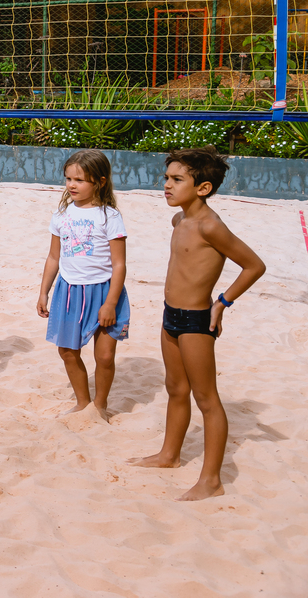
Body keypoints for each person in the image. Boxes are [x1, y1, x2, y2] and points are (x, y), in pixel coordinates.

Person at [130, 147, 266, 501]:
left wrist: (222, 303)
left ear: (203, 188)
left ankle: (211, 481)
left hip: (196, 320)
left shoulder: (211, 226)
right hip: (169, 315)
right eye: (166, 178)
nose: (167, 186)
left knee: (207, 399)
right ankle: (169, 455)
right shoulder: (179, 221)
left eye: (177, 180)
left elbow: (254, 266)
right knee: (175, 388)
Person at [36, 150, 131, 418]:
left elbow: (119, 264)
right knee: (67, 351)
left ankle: (100, 406)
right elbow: (54, 256)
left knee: (104, 357)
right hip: (68, 292)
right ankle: (82, 403)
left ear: (99, 182)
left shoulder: (109, 217)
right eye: (68, 179)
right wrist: (43, 291)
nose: (72, 185)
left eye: (79, 179)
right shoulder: (61, 215)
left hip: (104, 292)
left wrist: (111, 303)